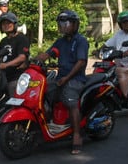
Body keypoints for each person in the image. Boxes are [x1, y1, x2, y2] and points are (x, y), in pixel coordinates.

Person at [35, 10, 89, 154]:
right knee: (43, 92)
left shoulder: (81, 41)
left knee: (70, 100)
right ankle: (51, 125)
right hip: (61, 78)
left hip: (76, 79)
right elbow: (49, 53)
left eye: (66, 23)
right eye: (61, 24)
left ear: (75, 24)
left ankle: (77, 135)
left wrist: (67, 78)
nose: (63, 26)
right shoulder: (60, 41)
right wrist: (35, 60)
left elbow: (81, 62)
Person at [0, 11, 30, 96]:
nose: (6, 25)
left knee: (12, 91)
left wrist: (6, 65)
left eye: (8, 23)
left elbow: (22, 57)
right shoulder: (4, 40)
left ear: (14, 24)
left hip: (17, 76)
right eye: (3, 24)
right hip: (3, 75)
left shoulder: (21, 39)